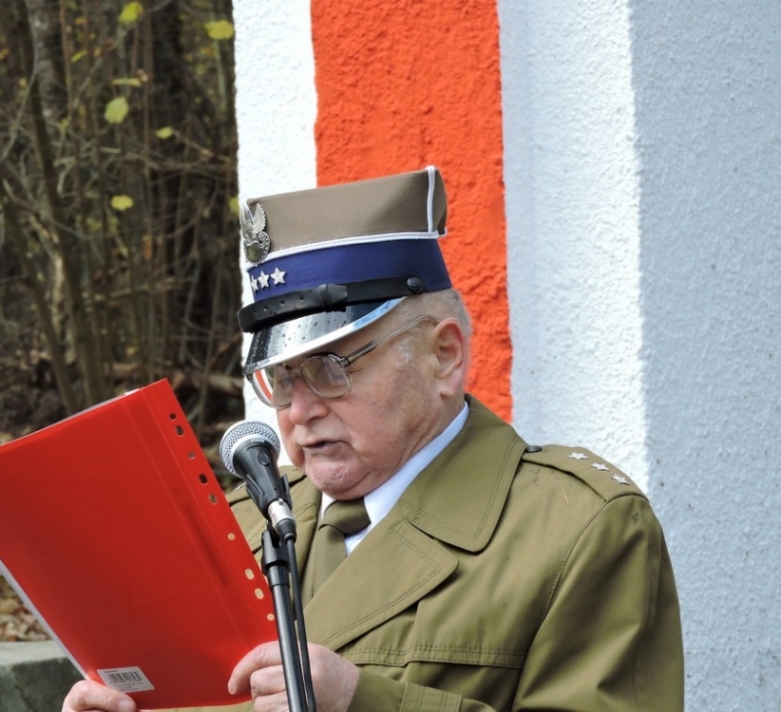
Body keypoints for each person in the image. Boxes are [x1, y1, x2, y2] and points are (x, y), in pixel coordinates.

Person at [63, 167, 684, 712]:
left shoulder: (576, 529)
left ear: (443, 356)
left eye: (332, 367)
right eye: (283, 376)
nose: (300, 409)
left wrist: (362, 702)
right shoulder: (239, 530)